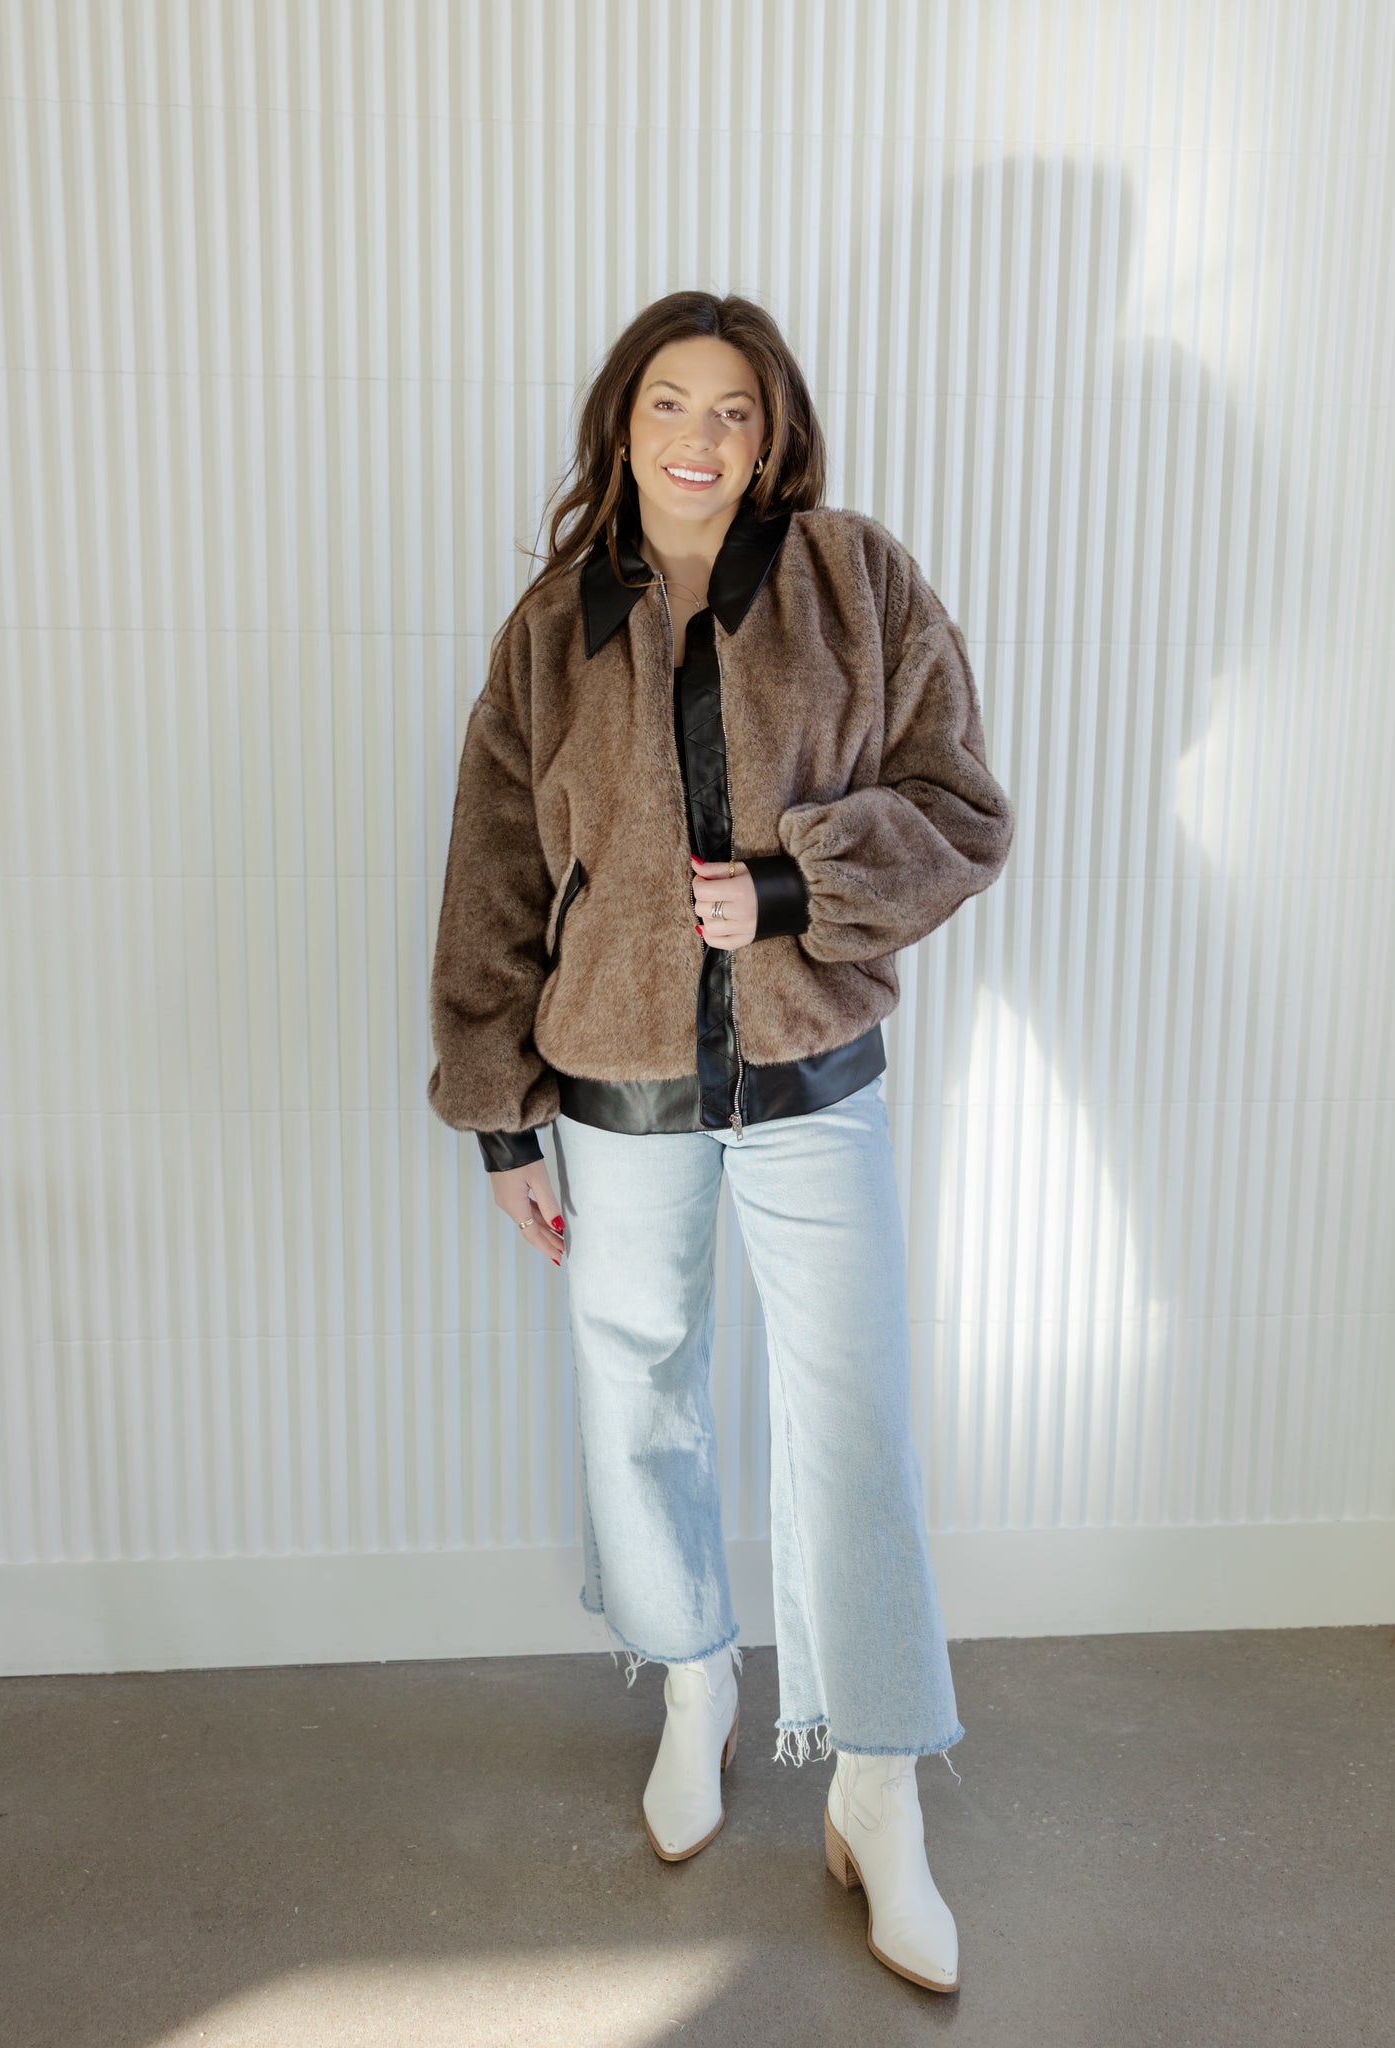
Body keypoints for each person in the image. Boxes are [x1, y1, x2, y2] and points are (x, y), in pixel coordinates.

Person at [427, 290, 1015, 1994]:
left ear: (774, 437)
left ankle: (880, 1788)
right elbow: (493, 873)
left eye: (735, 410)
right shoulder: (553, 628)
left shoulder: (854, 580)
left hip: (813, 1078)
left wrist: (790, 889)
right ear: (624, 422)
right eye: (671, 403)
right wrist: (500, 1122)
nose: (700, 436)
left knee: (855, 1427)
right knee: (638, 1397)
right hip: (614, 1093)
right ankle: (695, 1686)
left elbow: (961, 807)